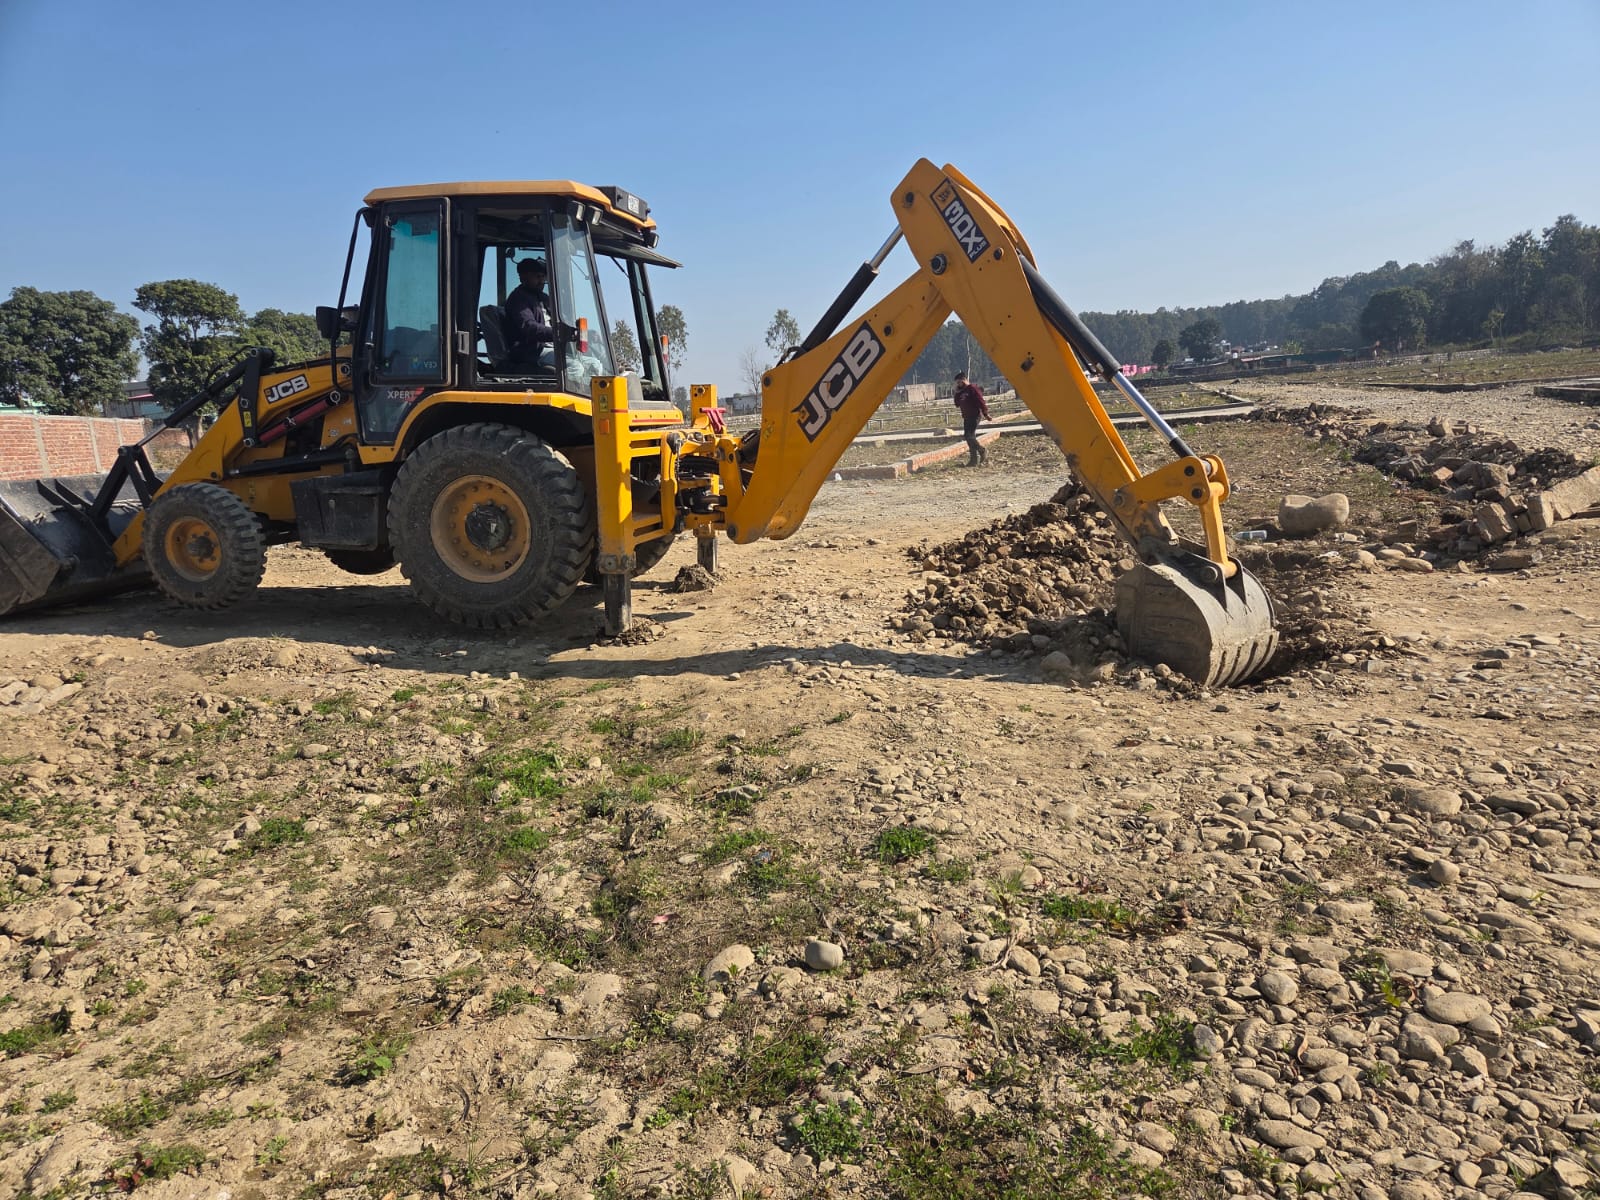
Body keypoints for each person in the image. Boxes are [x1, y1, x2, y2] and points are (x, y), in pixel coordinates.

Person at [504, 257, 556, 368]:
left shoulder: (544, 298)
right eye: (537, 277)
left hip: (554, 348)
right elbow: (529, 327)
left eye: (543, 277)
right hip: (532, 351)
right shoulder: (518, 299)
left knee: (592, 364)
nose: (542, 281)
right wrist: (557, 333)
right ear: (523, 278)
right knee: (575, 367)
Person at [952, 371, 990, 466]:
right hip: (966, 417)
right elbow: (957, 404)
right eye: (957, 383)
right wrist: (956, 392)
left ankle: (982, 450)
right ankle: (973, 460)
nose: (958, 384)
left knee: (969, 436)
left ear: (964, 380)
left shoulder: (972, 388)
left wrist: (985, 414)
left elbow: (981, 401)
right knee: (968, 437)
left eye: (959, 382)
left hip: (975, 416)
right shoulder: (961, 391)